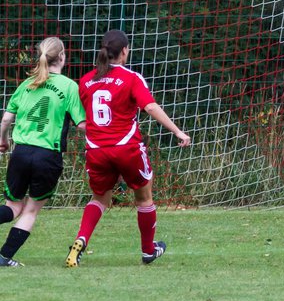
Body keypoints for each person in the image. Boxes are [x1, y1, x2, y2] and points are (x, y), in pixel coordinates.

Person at [66, 30, 192, 267]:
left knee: (100, 199)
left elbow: (86, 117)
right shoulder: (131, 77)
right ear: (124, 51)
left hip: (96, 149)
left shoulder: (86, 80)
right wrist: (177, 131)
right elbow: (151, 107)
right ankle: (148, 251)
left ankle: (81, 239)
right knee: (144, 199)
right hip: (126, 147)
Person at [0, 38, 87, 266]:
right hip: (48, 156)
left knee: (12, 208)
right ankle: (3, 257)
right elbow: (82, 125)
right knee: (30, 211)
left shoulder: (28, 83)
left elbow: (7, 119)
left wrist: (3, 141)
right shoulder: (69, 86)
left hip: (21, 152)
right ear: (61, 57)